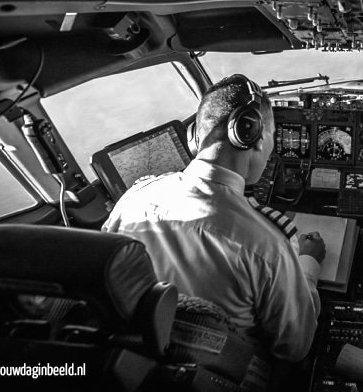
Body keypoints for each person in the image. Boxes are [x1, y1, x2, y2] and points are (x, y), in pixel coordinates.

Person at [103, 74, 326, 363]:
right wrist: (307, 265)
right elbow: (294, 347)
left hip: (135, 361)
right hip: (220, 372)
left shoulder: (133, 199)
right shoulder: (267, 244)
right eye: (273, 134)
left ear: (195, 137)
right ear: (254, 137)